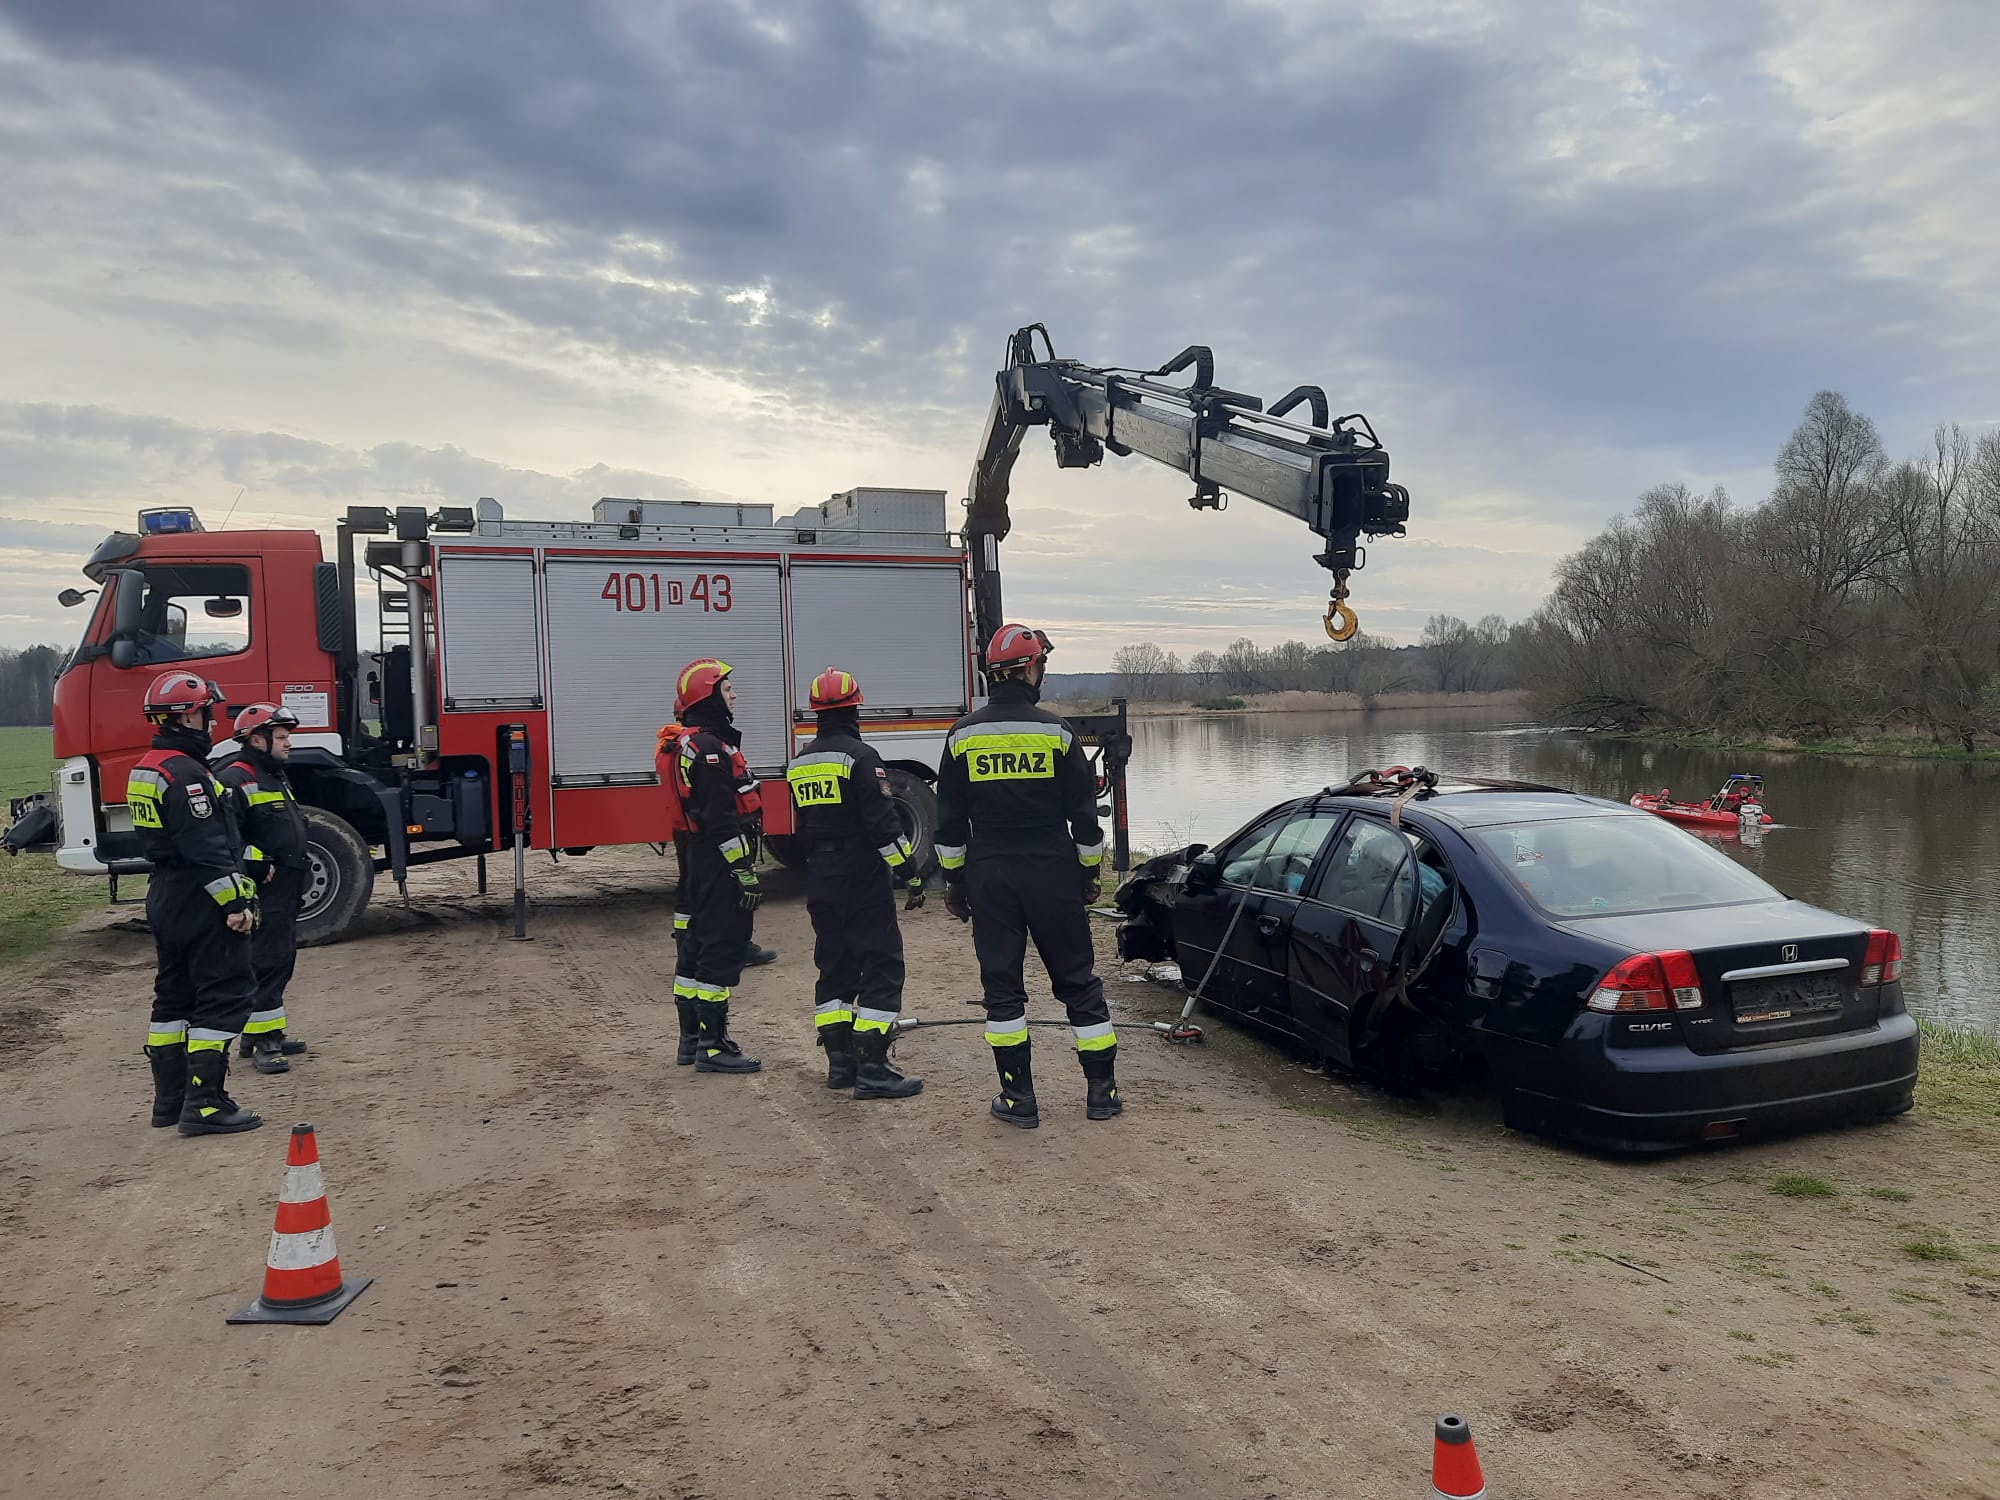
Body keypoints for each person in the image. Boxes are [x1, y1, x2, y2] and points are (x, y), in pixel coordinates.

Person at [936, 623, 1120, 1128]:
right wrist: (1089, 875)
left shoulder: (962, 735)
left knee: (1002, 988)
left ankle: (1019, 1100)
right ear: (1030, 669)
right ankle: (1102, 1093)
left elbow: (949, 824)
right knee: (1078, 980)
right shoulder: (1057, 733)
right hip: (1052, 869)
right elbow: (1084, 819)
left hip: (990, 872)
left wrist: (955, 882)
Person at [128, 671, 262, 1136]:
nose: (212, 721)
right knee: (223, 993)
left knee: (174, 996)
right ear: (188, 716)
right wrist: (235, 904)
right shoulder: (186, 774)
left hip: (166, 893)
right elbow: (206, 848)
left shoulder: (148, 766)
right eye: (207, 712)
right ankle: (205, 1104)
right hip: (198, 895)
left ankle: (169, 1101)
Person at [786, 668, 924, 1101]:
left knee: (834, 967)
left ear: (816, 713)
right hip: (861, 877)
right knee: (881, 964)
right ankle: (874, 1069)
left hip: (820, 877)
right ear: (854, 709)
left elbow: (801, 829)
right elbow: (884, 828)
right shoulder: (861, 757)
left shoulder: (800, 762)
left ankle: (840, 1065)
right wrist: (911, 874)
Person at [669, 658, 764, 1075]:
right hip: (717, 864)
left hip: (699, 860)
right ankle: (713, 1045)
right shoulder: (709, 749)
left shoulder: (693, 743)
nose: (733, 695)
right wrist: (743, 871)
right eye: (726, 689)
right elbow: (721, 819)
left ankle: (692, 1040)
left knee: (695, 948)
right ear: (708, 696)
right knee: (720, 949)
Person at [216, 704, 311, 1074]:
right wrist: (253, 861)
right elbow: (223, 837)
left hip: (285, 883)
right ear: (257, 740)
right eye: (281, 737)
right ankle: (264, 1044)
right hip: (263, 886)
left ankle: (264, 1032)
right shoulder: (234, 778)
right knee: (266, 960)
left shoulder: (273, 776)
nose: (288, 743)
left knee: (281, 958)